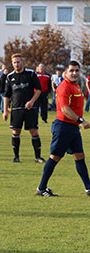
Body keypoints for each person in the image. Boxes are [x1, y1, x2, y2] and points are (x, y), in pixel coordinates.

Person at [36, 61, 90, 197]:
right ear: (66, 72)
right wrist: (81, 121)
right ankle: (41, 188)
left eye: (77, 70)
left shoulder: (76, 86)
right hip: (63, 127)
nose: (74, 73)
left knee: (80, 157)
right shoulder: (64, 87)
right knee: (54, 158)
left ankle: (89, 188)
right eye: (71, 70)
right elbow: (65, 109)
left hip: (73, 128)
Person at [3, 53, 44, 163]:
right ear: (12, 64)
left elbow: (39, 90)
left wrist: (31, 101)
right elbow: (6, 95)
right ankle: (16, 157)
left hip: (30, 109)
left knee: (34, 132)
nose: (17, 64)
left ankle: (38, 157)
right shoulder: (9, 77)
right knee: (16, 132)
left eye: (18, 62)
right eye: (14, 62)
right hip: (16, 109)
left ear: (23, 62)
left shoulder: (31, 74)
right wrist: (5, 110)